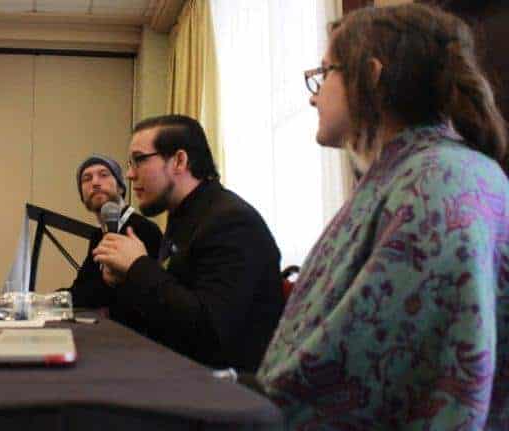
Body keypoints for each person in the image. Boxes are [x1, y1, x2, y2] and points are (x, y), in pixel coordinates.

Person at [256, 4, 509, 429]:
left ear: (372, 75)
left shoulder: (436, 181)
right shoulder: (422, 171)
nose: (314, 95)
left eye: (325, 73)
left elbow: (368, 377)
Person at [93, 114, 285, 372]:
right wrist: (126, 279)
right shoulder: (185, 216)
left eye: (139, 160)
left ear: (179, 161)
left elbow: (210, 334)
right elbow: (166, 318)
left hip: (226, 388)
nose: (129, 174)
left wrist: (138, 267)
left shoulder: (231, 222)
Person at [62, 154, 162, 309]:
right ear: (82, 196)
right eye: (87, 179)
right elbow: (81, 291)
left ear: (121, 187)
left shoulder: (144, 229)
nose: (95, 182)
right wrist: (44, 301)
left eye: (104, 175)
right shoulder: (98, 235)